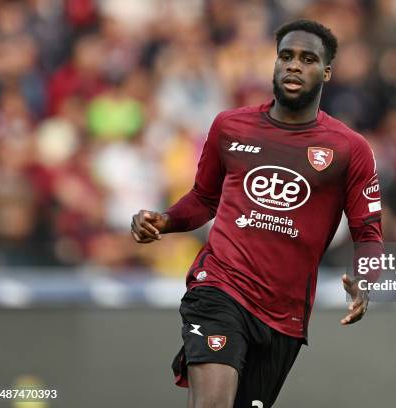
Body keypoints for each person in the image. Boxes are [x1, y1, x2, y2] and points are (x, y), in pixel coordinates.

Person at [131, 19, 382, 408]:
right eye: (286, 56)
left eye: (307, 59)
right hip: (219, 286)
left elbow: (368, 233)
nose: (294, 65)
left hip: (283, 314)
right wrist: (164, 221)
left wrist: (366, 280)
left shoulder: (350, 149)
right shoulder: (231, 126)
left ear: (326, 71)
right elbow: (203, 198)